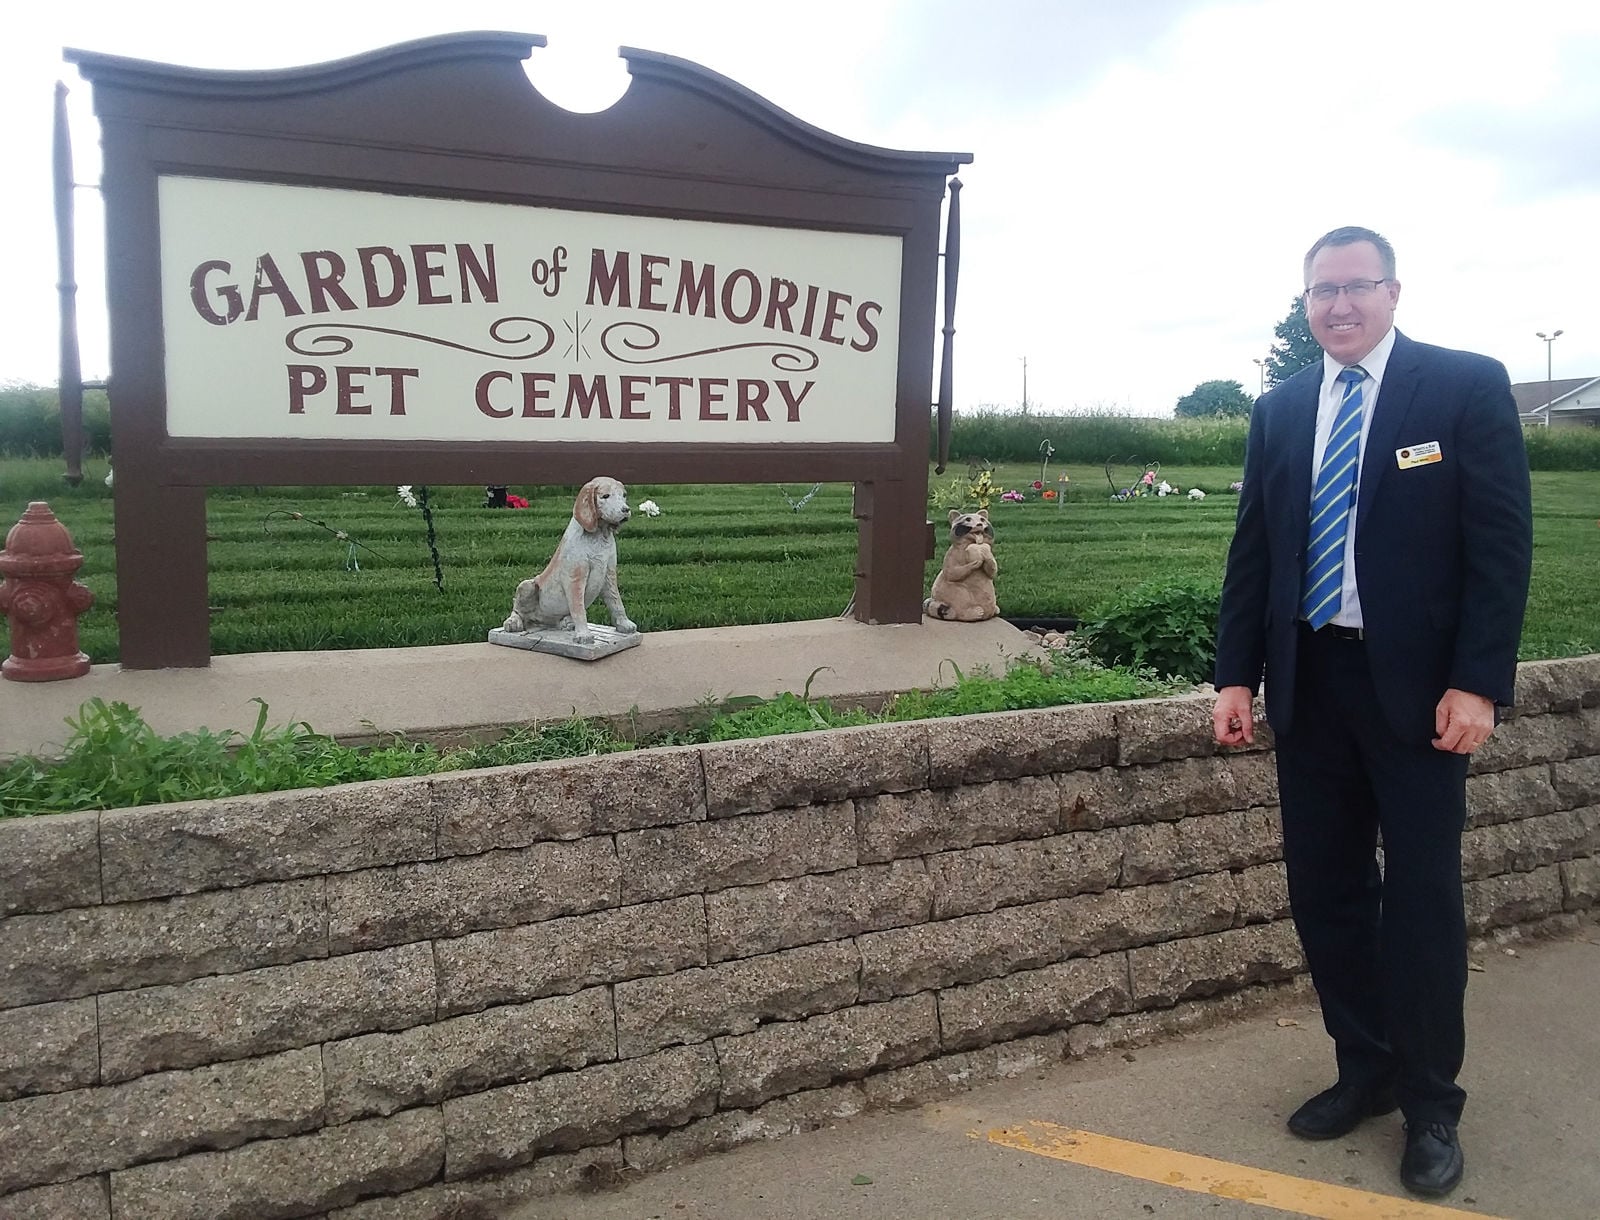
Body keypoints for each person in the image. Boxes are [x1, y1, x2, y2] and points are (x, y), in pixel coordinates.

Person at [1211, 226, 1533, 1199]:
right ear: (1303, 303)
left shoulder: (1462, 386)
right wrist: (1235, 675)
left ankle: (1433, 1099)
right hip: (1311, 686)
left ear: (1392, 291)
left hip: (1421, 693)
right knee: (1326, 891)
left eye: (1354, 287)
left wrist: (1478, 681)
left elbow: (1499, 546)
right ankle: (1366, 1065)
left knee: (1424, 902)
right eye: (1320, 291)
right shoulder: (1278, 408)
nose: (1337, 305)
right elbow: (1254, 552)